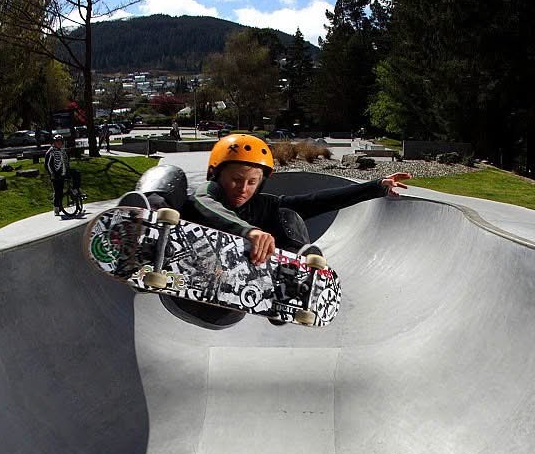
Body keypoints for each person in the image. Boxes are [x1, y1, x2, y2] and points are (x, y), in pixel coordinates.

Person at [131, 134, 411, 326]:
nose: (243, 189)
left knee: (288, 213)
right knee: (170, 175)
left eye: (252, 182)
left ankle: (292, 281)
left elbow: (319, 200)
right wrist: (249, 232)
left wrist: (377, 186)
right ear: (216, 175)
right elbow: (207, 204)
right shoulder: (207, 194)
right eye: (235, 180)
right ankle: (139, 228)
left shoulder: (266, 207)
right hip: (173, 287)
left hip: (223, 309)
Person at [44, 135, 80, 216]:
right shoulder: (51, 152)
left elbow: (66, 161)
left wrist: (67, 169)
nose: (59, 143)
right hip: (56, 175)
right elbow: (48, 165)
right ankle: (56, 208)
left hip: (64, 172)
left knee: (76, 173)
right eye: (57, 142)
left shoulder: (62, 150)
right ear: (54, 142)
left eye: (61, 142)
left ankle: (75, 189)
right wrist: (52, 174)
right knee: (58, 192)